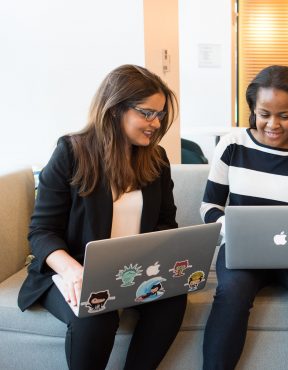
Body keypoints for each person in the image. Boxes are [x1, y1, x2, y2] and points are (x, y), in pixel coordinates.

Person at [17, 64, 186, 370]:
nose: (155, 123)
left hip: (134, 273)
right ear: (115, 109)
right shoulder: (71, 152)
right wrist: (73, 272)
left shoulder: (156, 159)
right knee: (98, 310)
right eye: (147, 113)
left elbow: (165, 224)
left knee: (172, 301)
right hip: (73, 273)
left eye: (160, 115)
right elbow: (41, 231)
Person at [201, 65, 288, 370]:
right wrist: (231, 228)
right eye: (264, 114)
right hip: (243, 251)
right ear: (253, 110)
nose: (272, 125)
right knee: (230, 294)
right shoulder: (233, 145)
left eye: (284, 116)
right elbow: (209, 206)